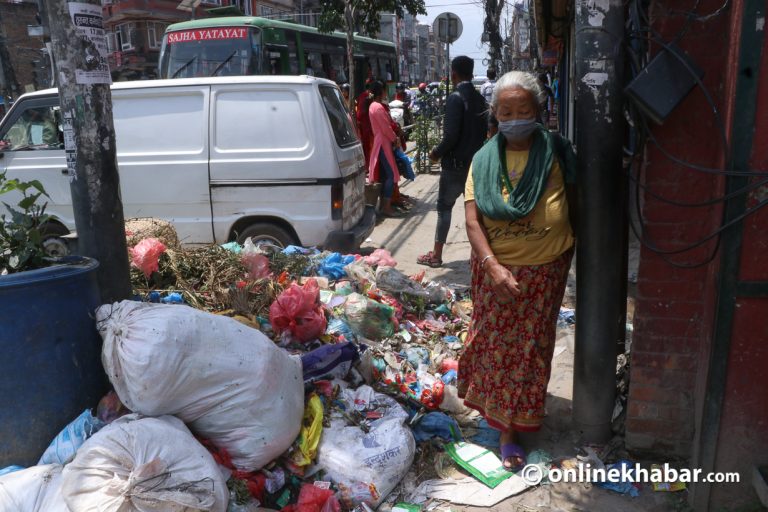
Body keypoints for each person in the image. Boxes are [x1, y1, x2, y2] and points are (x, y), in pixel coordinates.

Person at [459, 71, 577, 471]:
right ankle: (505, 430)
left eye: (522, 110)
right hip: (497, 272)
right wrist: (492, 266)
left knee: (533, 348)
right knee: (496, 347)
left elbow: (579, 203)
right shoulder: (483, 159)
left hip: (546, 270)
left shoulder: (557, 151)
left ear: (538, 111)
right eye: (506, 111)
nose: (514, 118)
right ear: (495, 114)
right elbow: (473, 220)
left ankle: (523, 419)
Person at [416, 56, 487, 268]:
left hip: (455, 166)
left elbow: (450, 136)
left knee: (444, 208)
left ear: (453, 75)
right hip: (476, 165)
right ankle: (479, 256)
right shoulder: (479, 99)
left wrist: (436, 153)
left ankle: (436, 256)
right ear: (472, 74)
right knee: (475, 213)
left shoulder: (455, 98)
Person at [367, 81, 401, 218]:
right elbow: (386, 128)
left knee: (386, 174)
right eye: (385, 90)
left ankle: (384, 204)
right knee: (391, 175)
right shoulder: (378, 107)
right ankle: (386, 206)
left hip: (381, 141)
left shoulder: (373, 106)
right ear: (381, 92)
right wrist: (395, 139)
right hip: (383, 143)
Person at [355, 80, 374, 166]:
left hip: (360, 123)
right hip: (366, 124)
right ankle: (369, 165)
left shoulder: (361, 95)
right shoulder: (369, 96)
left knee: (364, 146)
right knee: (368, 146)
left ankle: (366, 165)